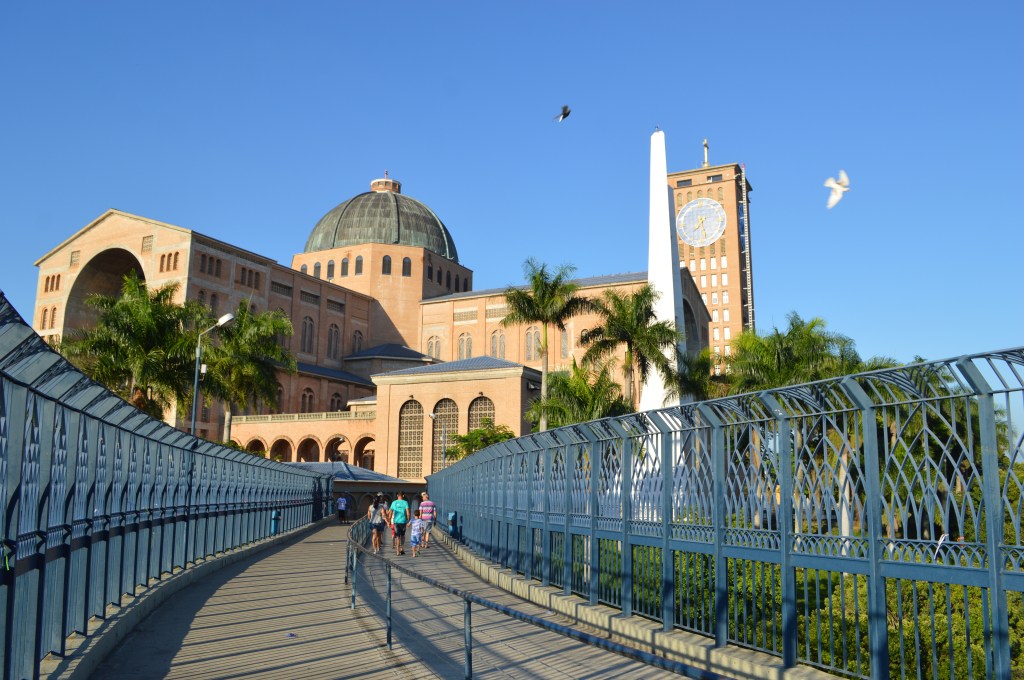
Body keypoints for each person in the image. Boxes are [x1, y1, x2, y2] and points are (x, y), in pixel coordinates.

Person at [389, 491, 410, 556]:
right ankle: (402, 549)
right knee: (403, 536)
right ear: (403, 495)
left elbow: (390, 513)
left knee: (397, 536)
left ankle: (397, 551)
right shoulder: (405, 502)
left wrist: (389, 521)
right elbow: (408, 513)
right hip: (403, 521)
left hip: (396, 522)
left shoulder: (393, 503)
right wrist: (408, 520)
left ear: (397, 495)